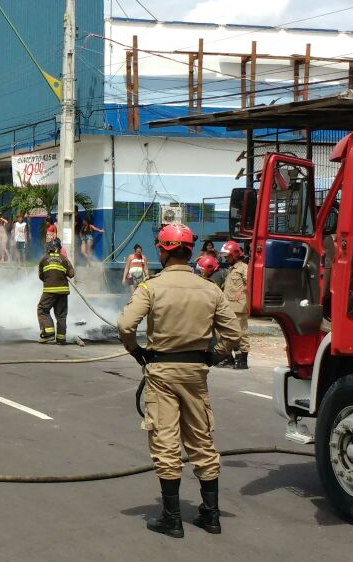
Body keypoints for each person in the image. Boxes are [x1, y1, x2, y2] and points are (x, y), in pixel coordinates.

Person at [117, 223, 241, 538]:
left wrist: (137, 352)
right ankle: (211, 516)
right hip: (196, 373)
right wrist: (214, 356)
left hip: (161, 372)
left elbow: (125, 325)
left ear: (163, 250)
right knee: (201, 440)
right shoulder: (210, 288)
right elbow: (233, 334)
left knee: (166, 442)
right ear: (189, 251)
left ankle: (171, 519)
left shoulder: (151, 287)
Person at [215, 240, 250, 369]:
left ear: (235, 254)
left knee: (241, 333)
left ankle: (243, 360)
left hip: (238, 306)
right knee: (226, 333)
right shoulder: (231, 269)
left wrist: (240, 292)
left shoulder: (243, 268)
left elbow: (250, 283)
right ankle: (229, 358)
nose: (226, 258)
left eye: (228, 255)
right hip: (229, 306)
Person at [37, 238, 75, 344]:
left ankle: (48, 333)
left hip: (49, 290)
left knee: (42, 310)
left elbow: (41, 276)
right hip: (63, 291)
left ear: (48, 248)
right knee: (61, 315)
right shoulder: (64, 259)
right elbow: (71, 274)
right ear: (59, 249)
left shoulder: (44, 259)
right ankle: (61, 338)